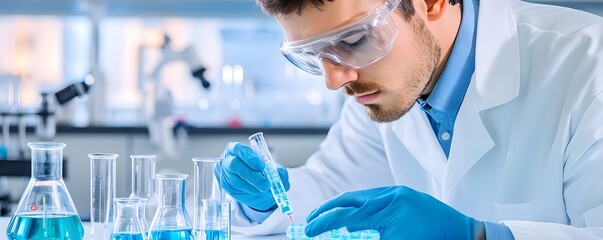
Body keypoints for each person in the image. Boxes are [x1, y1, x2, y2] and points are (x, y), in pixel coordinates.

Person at [216, 0, 603, 239]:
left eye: (353, 41)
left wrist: (484, 237)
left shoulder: (589, 63)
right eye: (314, 55)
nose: (335, 80)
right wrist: (267, 202)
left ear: (431, 2)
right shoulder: (378, 86)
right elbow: (331, 191)